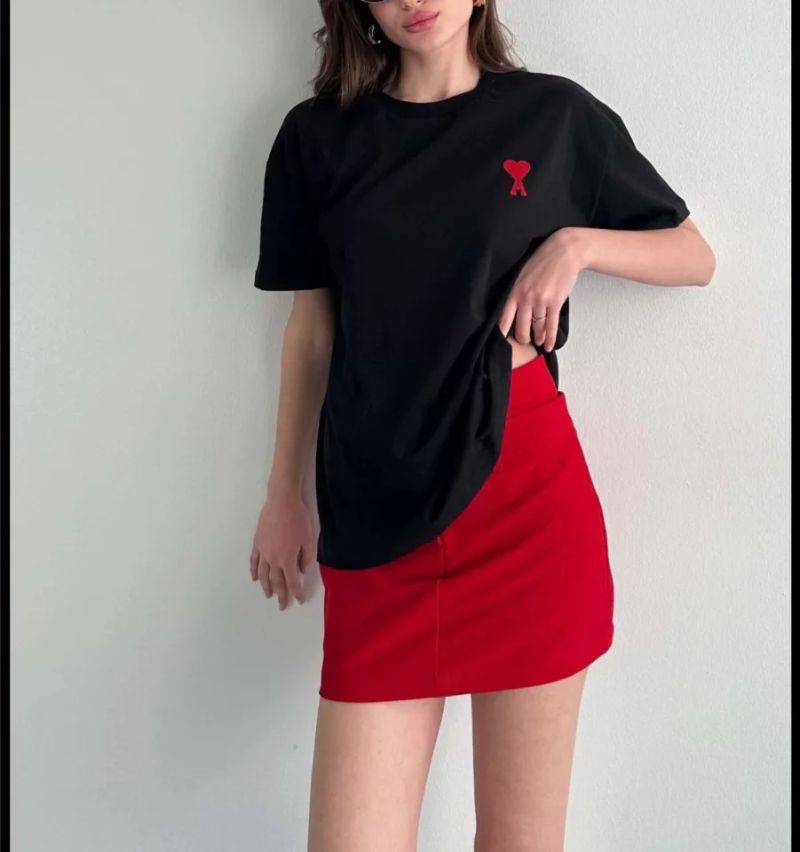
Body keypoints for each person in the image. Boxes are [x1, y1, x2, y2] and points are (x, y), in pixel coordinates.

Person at [249, 1, 716, 849]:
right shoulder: (316, 138)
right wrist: (285, 493)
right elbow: (312, 330)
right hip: (374, 516)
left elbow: (693, 255)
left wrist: (576, 245)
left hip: (525, 509)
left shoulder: (553, 116)